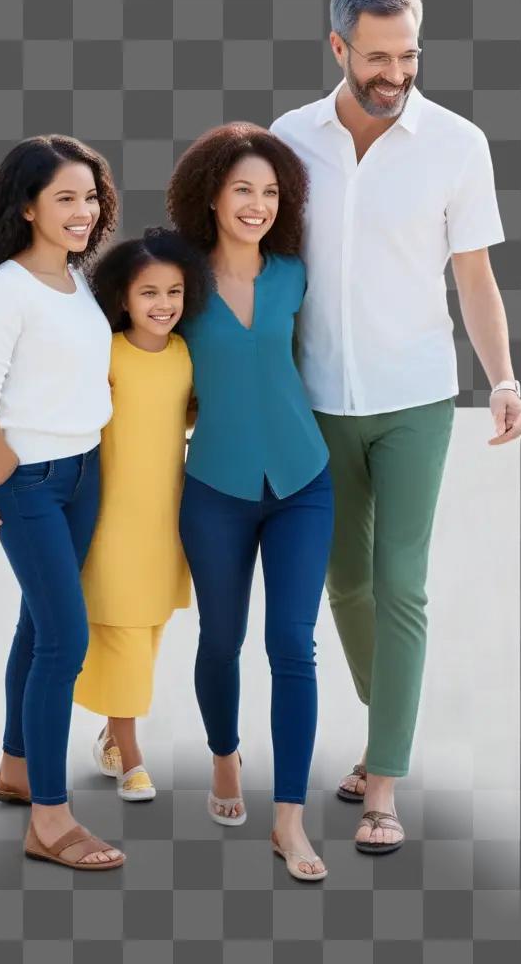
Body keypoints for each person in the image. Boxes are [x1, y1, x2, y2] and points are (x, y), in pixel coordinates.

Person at [270, 0, 521, 854]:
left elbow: (475, 278)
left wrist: (501, 379)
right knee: (343, 581)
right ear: (338, 48)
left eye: (409, 54)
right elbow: (259, 275)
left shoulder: (456, 143)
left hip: (416, 397)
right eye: (377, 56)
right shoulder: (287, 140)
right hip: (313, 401)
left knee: (401, 583)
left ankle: (383, 783)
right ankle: (394, 731)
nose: (395, 73)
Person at [0, 229, 211, 803]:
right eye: (148, 293)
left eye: (174, 292)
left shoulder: (186, 356)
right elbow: (47, 408)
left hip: (166, 516)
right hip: (108, 513)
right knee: (123, 631)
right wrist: (1, 479)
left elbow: (188, 417)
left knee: (150, 626)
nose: (163, 305)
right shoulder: (106, 354)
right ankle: (130, 753)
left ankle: (111, 734)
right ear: (122, 300)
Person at [167, 123, 334, 881]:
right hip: (216, 490)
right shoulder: (178, 280)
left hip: (303, 483)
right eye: (243, 189)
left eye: (270, 192)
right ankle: (224, 754)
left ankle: (291, 821)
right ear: (211, 193)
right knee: (220, 639)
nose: (257, 205)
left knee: (292, 647)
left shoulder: (296, 274)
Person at [0, 134, 125, 870]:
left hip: (85, 472)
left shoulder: (78, 280)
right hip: (33, 481)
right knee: (66, 641)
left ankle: (16, 771)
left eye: (90, 197)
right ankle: (50, 823)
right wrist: (3, 480)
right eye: (65, 198)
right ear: (27, 208)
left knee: (37, 626)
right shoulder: (9, 288)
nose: (83, 211)